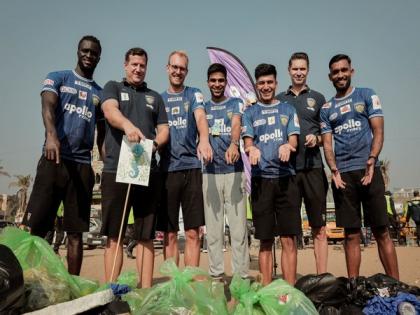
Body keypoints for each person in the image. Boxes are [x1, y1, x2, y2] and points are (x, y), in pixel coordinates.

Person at [23, 35, 103, 275]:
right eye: (85, 51)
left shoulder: (99, 93)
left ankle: (73, 284)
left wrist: (107, 167)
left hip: (81, 167)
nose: (89, 55)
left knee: (76, 234)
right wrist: (51, 135)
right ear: (78, 51)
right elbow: (47, 105)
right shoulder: (58, 77)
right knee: (38, 228)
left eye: (94, 53)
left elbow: (103, 136)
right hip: (54, 160)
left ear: (99, 57)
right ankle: (30, 281)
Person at [320, 54, 399, 280]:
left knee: (381, 231)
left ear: (351, 71)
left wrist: (373, 159)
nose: (340, 75)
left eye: (344, 70)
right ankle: (354, 286)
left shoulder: (367, 94)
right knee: (351, 235)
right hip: (343, 177)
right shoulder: (327, 108)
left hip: (369, 172)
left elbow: (379, 131)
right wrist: (333, 170)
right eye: (335, 72)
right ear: (330, 76)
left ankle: (397, 285)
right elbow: (327, 144)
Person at [101, 47, 169, 287]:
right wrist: (128, 126)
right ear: (125, 65)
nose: (138, 69)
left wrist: (156, 145)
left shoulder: (155, 97)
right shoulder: (113, 87)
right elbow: (110, 111)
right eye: (134, 65)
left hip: (146, 169)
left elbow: (163, 130)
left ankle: (145, 291)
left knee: (145, 236)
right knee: (114, 235)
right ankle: (111, 290)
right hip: (115, 169)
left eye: (142, 65)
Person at [242, 63, 300, 285]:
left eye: (269, 82)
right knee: (265, 241)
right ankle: (267, 290)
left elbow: (293, 140)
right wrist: (252, 149)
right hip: (261, 182)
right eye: (262, 83)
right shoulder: (250, 112)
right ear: (257, 86)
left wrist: (288, 146)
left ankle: (290, 290)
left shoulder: (288, 110)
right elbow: (248, 143)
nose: (266, 87)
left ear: (276, 83)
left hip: (286, 180)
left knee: (288, 239)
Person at [158, 51, 213, 267]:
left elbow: (200, 117)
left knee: (192, 233)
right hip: (166, 170)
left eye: (182, 68)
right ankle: (174, 285)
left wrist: (205, 139)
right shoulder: (158, 99)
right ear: (167, 68)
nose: (178, 71)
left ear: (187, 71)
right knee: (169, 235)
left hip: (191, 168)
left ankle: (190, 287)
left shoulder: (194, 94)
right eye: (174, 67)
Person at [276, 52, 328, 273]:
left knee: (320, 228)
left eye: (302, 69)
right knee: (288, 233)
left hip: (314, 169)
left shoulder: (318, 98)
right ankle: (290, 285)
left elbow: (328, 135)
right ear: (289, 70)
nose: (298, 72)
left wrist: (316, 139)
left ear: (308, 71)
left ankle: (322, 278)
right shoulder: (279, 100)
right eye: (295, 68)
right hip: (287, 173)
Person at [202, 63, 249, 279]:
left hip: (233, 172)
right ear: (208, 82)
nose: (217, 84)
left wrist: (233, 143)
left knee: (238, 232)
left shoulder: (235, 103)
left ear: (226, 82)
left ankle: (240, 277)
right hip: (210, 173)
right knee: (213, 232)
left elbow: (237, 123)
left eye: (221, 80)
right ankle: (216, 276)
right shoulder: (203, 106)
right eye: (213, 80)